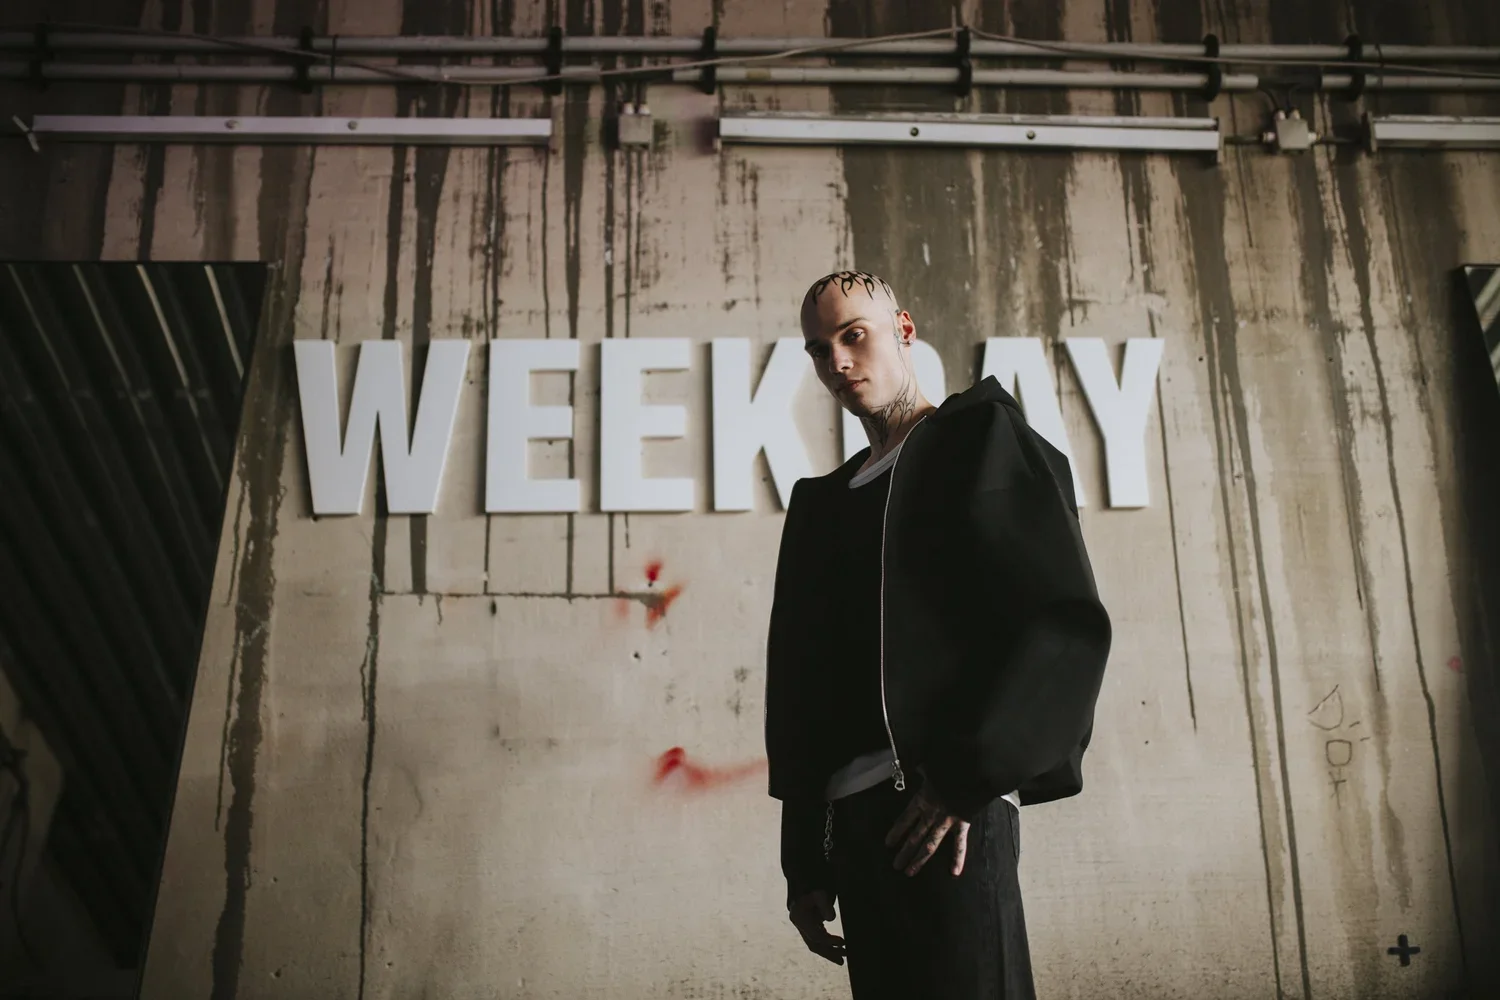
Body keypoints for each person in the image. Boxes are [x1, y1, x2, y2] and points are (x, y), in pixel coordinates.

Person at [764, 270, 1112, 999]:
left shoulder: (978, 440)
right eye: (820, 349)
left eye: (854, 335)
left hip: (950, 809)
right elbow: (802, 690)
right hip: (853, 824)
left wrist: (965, 779)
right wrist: (805, 863)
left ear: (904, 331)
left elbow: (1058, 619)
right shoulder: (823, 506)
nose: (838, 362)